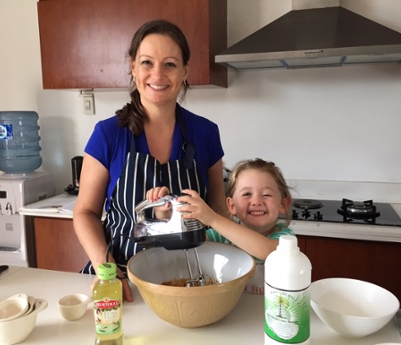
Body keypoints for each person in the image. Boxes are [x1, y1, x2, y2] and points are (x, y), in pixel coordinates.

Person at [73, 20, 227, 302]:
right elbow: (84, 213)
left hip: (191, 282)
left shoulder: (206, 133)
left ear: (184, 72)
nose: (157, 74)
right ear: (133, 67)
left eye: (169, 64)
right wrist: (106, 271)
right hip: (123, 282)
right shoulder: (108, 135)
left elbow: (218, 212)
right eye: (147, 62)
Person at [171, 158, 295, 294]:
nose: (256, 201)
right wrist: (167, 214)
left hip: (272, 312)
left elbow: (265, 251)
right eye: (247, 194)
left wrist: (212, 218)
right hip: (232, 310)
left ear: (283, 204)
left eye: (266, 194)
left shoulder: (285, 237)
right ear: (232, 205)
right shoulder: (221, 234)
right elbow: (188, 244)